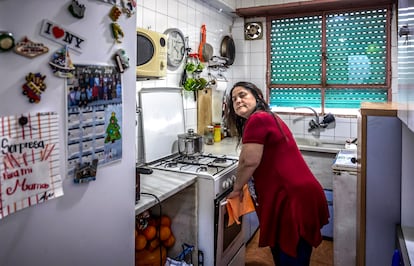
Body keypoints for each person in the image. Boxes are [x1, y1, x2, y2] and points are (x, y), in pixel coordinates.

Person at [225, 81, 330, 266]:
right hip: (295, 196)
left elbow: (249, 161)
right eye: (234, 99)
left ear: (257, 96)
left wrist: (236, 189)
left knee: (291, 258)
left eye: (242, 95)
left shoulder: (257, 119)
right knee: (290, 255)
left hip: (291, 200)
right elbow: (246, 158)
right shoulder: (265, 117)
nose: (238, 101)